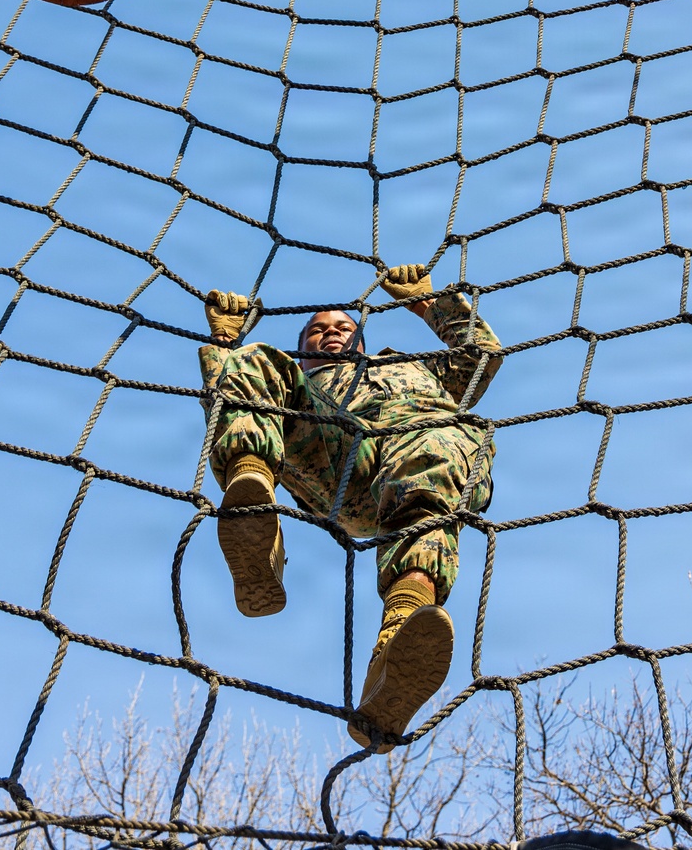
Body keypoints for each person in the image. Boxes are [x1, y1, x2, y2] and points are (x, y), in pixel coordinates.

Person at [197, 265, 501, 750]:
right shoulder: (304, 382)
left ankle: (394, 652)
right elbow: (227, 391)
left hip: (421, 454)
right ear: (306, 346)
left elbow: (482, 356)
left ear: (360, 341)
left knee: (442, 445)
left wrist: (425, 302)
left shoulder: (416, 368)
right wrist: (226, 343)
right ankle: (254, 506)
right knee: (255, 361)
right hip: (341, 462)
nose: (330, 334)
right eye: (316, 330)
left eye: (342, 328)